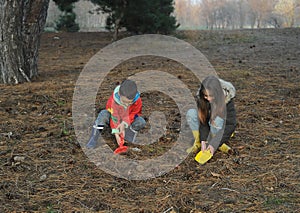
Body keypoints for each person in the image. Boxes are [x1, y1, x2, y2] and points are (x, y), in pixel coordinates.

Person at [186, 75, 237, 164]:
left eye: (211, 96)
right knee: (191, 114)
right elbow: (203, 121)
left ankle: (219, 143)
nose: (209, 99)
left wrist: (214, 144)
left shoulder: (227, 99)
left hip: (221, 127)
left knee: (215, 121)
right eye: (206, 96)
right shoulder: (202, 99)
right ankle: (198, 142)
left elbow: (230, 124)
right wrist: (203, 139)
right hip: (210, 124)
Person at [86, 79, 146, 149]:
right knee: (103, 114)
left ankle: (128, 138)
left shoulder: (137, 100)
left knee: (141, 121)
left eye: (130, 102)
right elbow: (114, 116)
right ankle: (94, 138)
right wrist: (116, 131)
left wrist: (124, 123)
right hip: (113, 119)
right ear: (120, 94)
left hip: (128, 121)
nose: (127, 105)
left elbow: (135, 113)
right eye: (124, 102)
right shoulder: (113, 101)